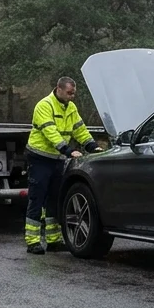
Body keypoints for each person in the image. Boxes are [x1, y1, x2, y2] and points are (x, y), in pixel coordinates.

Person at [24, 76, 102, 254]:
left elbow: (80, 130)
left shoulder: (71, 107)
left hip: (57, 160)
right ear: (58, 89)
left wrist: (92, 146)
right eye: (69, 93)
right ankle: (32, 241)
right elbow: (50, 132)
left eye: (73, 93)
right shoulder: (44, 105)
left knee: (54, 199)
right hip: (40, 158)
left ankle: (53, 240)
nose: (72, 96)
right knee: (37, 198)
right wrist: (68, 150)